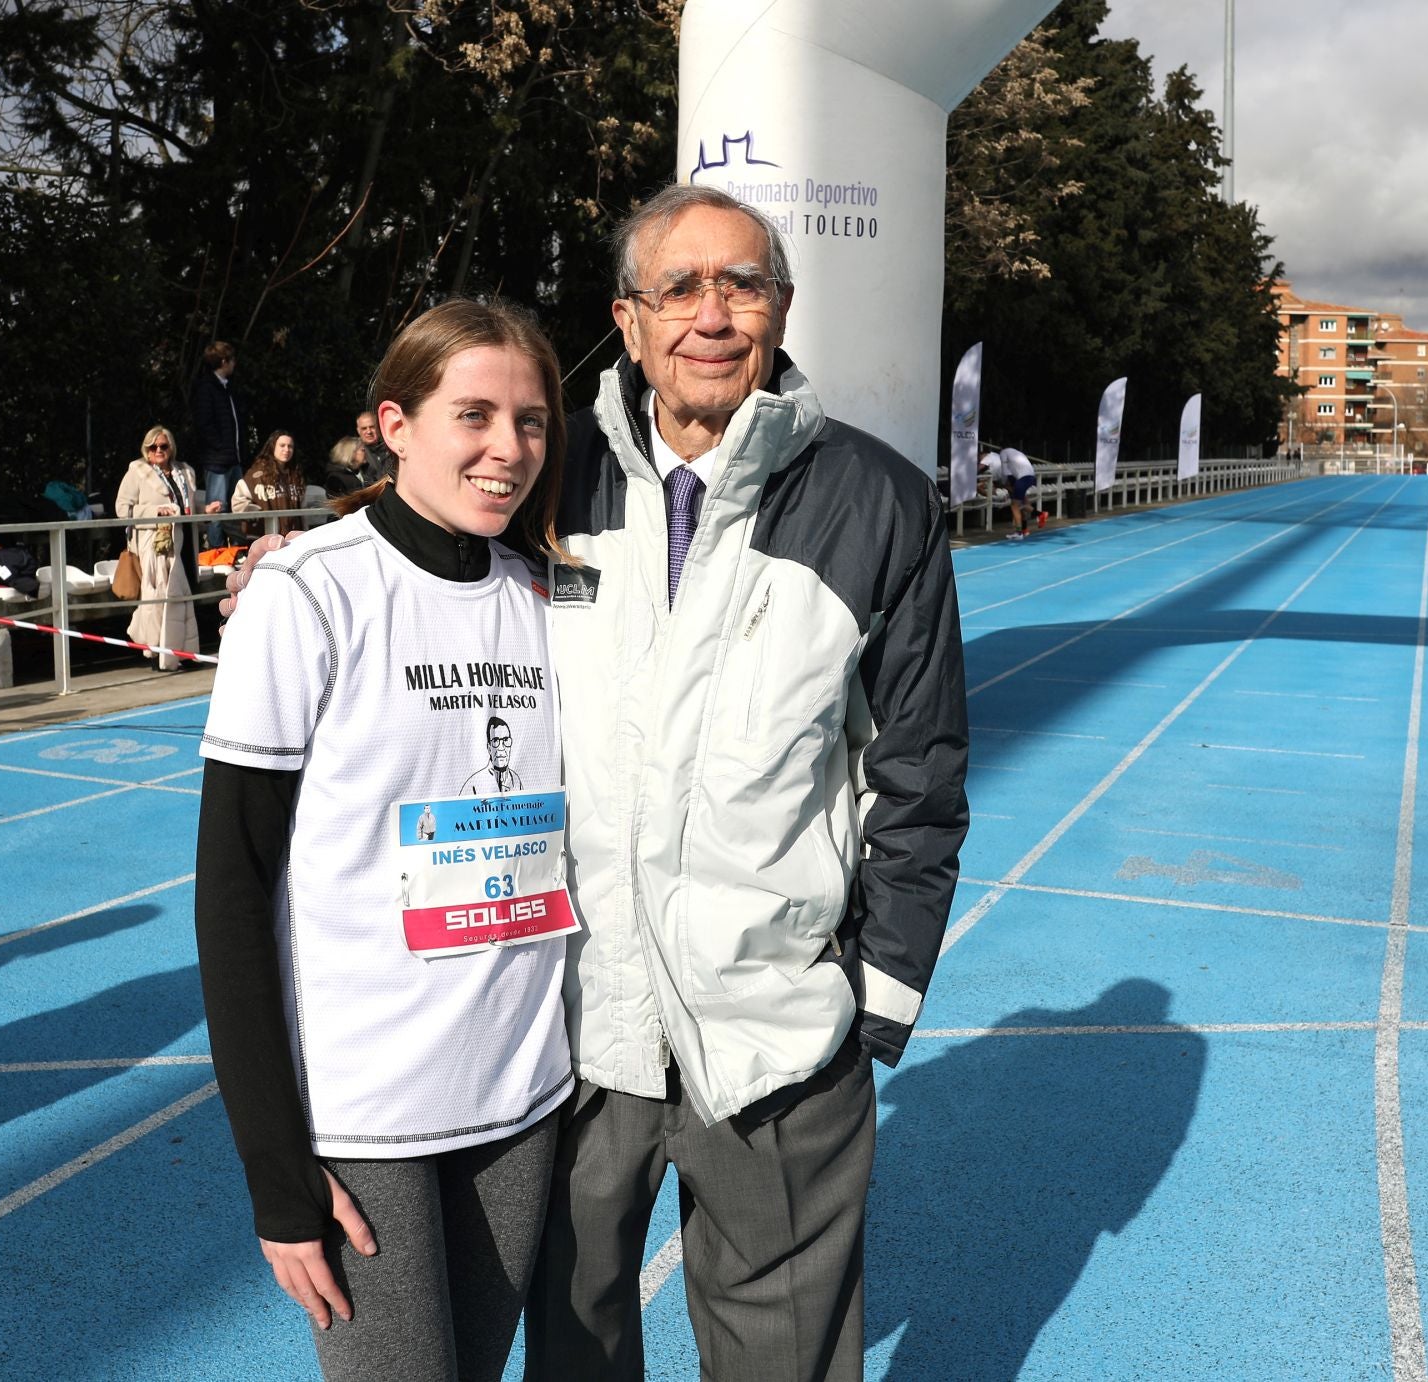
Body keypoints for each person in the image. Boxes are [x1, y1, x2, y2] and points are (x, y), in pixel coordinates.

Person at [521, 184, 971, 1381]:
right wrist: (305, 570)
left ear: (781, 307)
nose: (713, 315)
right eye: (682, 286)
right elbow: (415, 587)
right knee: (573, 1352)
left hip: (776, 1043)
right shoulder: (541, 483)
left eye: (745, 284)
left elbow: (918, 774)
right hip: (577, 1032)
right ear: (627, 319)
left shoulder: (878, 501)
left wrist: (874, 997)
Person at [194, 298, 576, 1382]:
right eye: (476, 415)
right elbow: (232, 889)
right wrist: (277, 1172)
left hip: (520, 1097)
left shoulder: (551, 597)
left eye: (533, 420)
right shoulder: (310, 591)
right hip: (363, 1121)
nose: (509, 448)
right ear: (393, 424)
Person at [114, 425, 217, 672]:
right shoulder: (136, 472)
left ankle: (185, 653)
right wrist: (154, 512)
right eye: (153, 447)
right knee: (157, 601)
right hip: (156, 547)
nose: (158, 451)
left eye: (163, 446)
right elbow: (121, 509)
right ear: (146, 449)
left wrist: (206, 511)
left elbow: (188, 507)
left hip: (184, 544)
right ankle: (157, 655)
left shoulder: (185, 472)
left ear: (171, 447)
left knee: (184, 599)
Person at [190, 340, 248, 548]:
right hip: (217, 461)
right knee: (216, 508)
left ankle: (237, 548)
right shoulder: (207, 388)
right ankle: (216, 551)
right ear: (224, 361)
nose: (234, 364)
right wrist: (221, 448)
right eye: (231, 360)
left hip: (233, 458)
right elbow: (204, 425)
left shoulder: (227, 388)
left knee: (238, 506)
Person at [231, 431, 310, 536]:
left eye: (290, 446)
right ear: (273, 447)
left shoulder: (296, 476)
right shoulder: (257, 475)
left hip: (294, 540)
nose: (286, 449)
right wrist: (258, 514)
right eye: (282, 445)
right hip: (265, 540)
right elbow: (238, 504)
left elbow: (303, 511)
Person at [982, 446, 1042, 540]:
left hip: (1021, 479)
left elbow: (1006, 472)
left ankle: (1037, 517)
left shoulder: (1003, 454)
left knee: (1015, 505)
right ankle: (1024, 529)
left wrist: (1008, 485)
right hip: (1029, 476)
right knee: (1022, 502)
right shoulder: (1016, 453)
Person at [354, 409, 392, 484]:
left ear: (378, 427)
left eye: (372, 427)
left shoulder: (391, 447)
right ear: (358, 431)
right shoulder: (354, 453)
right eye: (364, 428)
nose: (369, 431)